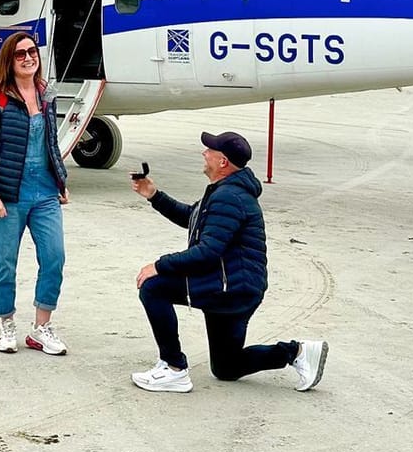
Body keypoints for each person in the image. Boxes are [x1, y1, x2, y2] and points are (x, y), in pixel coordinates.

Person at [128, 131, 326, 393]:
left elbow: (207, 252)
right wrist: (154, 195)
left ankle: (173, 368)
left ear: (222, 162)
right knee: (226, 366)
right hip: (237, 286)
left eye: (209, 150)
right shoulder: (225, 191)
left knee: (153, 287)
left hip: (229, 286)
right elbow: (193, 217)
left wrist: (159, 265)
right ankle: (297, 352)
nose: (204, 153)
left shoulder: (229, 196)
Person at [0, 29, 70, 355]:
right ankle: (6, 325)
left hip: (44, 192)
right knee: (4, 264)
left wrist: (60, 180)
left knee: (54, 257)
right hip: (8, 194)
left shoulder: (46, 95)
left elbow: (51, 144)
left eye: (32, 52)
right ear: (9, 61)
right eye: (20, 54)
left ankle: (41, 327)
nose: (28, 58)